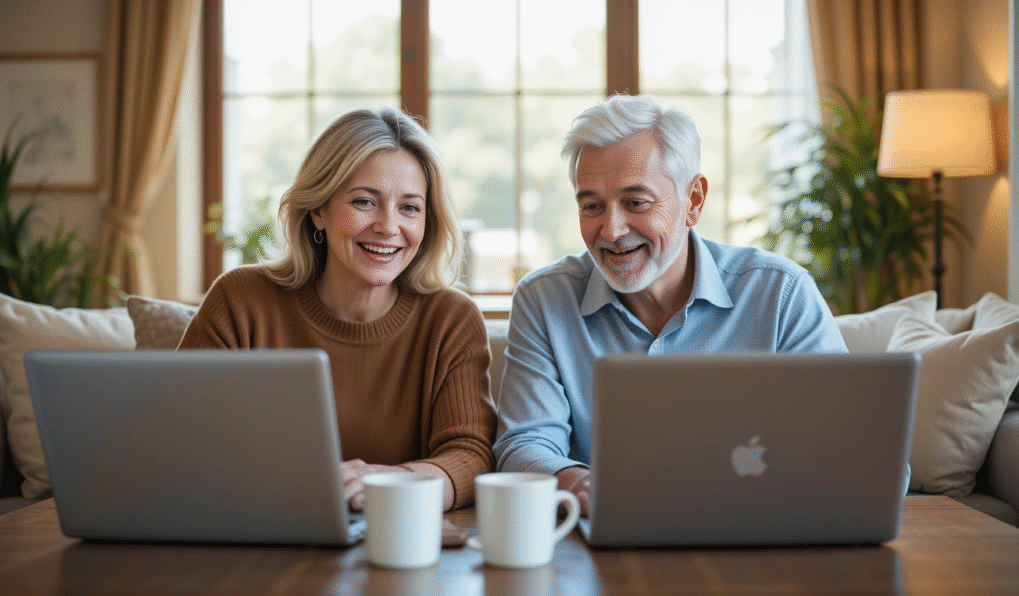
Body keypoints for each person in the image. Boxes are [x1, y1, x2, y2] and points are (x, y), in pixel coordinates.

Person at [492, 95, 848, 516]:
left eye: (636, 203)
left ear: (693, 200)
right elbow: (525, 444)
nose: (612, 229)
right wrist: (576, 481)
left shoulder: (781, 294)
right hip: (606, 543)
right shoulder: (544, 300)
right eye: (592, 206)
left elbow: (852, 451)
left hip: (758, 533)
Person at [179, 107, 496, 512]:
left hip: (394, 533)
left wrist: (390, 483)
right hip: (258, 531)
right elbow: (180, 438)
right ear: (319, 210)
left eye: (410, 208)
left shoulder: (451, 318)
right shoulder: (240, 301)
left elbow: (470, 456)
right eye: (365, 202)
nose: (388, 226)